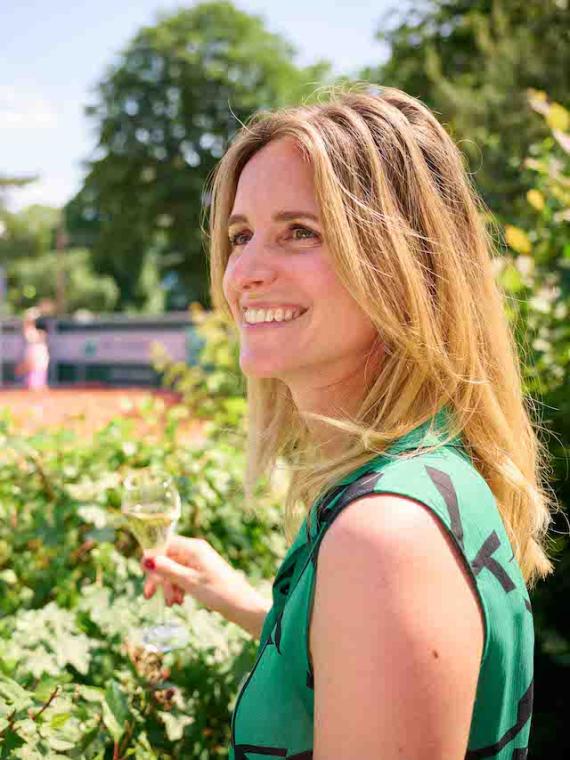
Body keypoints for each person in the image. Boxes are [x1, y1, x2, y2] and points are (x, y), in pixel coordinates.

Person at [141, 85, 556, 758]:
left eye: (300, 231)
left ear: (403, 266)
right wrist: (248, 604)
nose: (243, 271)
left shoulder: (385, 537)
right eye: (241, 235)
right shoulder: (423, 471)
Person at [15, 308, 50, 391]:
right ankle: (32, 384)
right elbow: (27, 325)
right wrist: (30, 316)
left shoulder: (35, 332)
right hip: (33, 350)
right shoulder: (29, 330)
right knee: (32, 367)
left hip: (38, 351)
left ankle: (38, 384)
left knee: (39, 368)